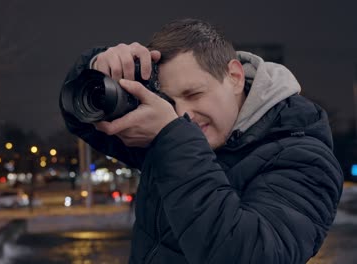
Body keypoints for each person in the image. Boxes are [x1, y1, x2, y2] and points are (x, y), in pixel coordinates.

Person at [59, 18, 343, 264]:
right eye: (169, 102)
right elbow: (84, 121)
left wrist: (173, 138)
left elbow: (253, 255)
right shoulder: (170, 137)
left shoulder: (304, 156)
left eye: (193, 94)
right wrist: (98, 67)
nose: (182, 114)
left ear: (234, 76)